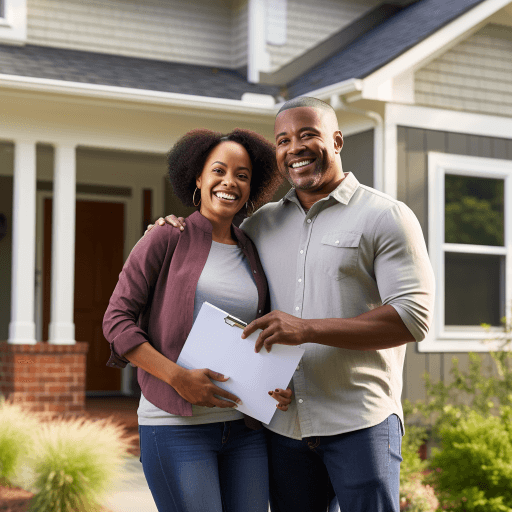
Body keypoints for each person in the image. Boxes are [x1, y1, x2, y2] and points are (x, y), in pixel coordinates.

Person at [149, 97, 436, 512]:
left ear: (336, 141)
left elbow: (413, 317)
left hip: (360, 421)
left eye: (308, 135)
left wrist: (307, 328)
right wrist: (171, 227)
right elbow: (218, 265)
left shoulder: (385, 216)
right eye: (283, 140)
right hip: (283, 428)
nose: (294, 148)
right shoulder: (260, 224)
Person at [103, 128, 291, 512]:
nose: (229, 182)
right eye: (218, 171)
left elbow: (255, 336)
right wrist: (177, 377)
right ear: (198, 178)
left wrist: (273, 386)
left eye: (242, 175)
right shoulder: (165, 238)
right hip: (175, 428)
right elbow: (116, 321)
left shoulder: (252, 250)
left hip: (244, 430)